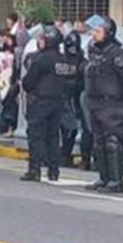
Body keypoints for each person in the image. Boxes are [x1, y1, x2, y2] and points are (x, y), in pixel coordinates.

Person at [20, 26, 80, 182]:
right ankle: (54, 170)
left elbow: (28, 81)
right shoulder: (63, 59)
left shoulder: (41, 59)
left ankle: (35, 169)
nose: (40, 42)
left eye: (42, 39)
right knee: (53, 137)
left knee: (36, 136)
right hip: (58, 101)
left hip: (40, 101)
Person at [84, 17, 123, 194]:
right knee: (99, 142)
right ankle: (104, 177)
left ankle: (116, 179)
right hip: (96, 103)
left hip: (112, 104)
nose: (93, 35)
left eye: (97, 31)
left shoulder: (117, 54)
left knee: (112, 141)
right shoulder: (97, 53)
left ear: (108, 33)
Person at [60, 30, 88, 169]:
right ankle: (63, 155)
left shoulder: (81, 61)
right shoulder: (62, 60)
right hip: (64, 98)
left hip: (74, 100)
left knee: (71, 129)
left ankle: (65, 155)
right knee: (68, 129)